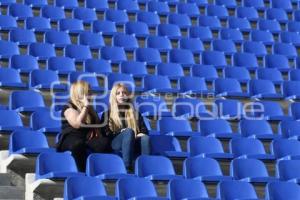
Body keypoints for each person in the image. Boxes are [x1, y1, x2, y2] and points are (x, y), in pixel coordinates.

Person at [56, 81, 111, 172]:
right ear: (81, 93)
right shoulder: (69, 107)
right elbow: (77, 124)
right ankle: (82, 172)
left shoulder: (90, 109)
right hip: (71, 138)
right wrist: (85, 106)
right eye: (89, 92)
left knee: (105, 142)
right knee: (78, 144)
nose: (91, 94)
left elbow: (96, 124)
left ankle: (99, 170)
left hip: (86, 139)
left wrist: (95, 130)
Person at [100, 83, 150, 168]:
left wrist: (136, 135)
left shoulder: (135, 113)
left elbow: (144, 131)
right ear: (114, 96)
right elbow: (106, 134)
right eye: (118, 93)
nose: (121, 95)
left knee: (145, 138)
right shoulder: (107, 114)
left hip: (133, 141)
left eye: (124, 93)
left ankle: (146, 168)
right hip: (115, 143)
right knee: (129, 131)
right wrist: (121, 132)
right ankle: (127, 167)